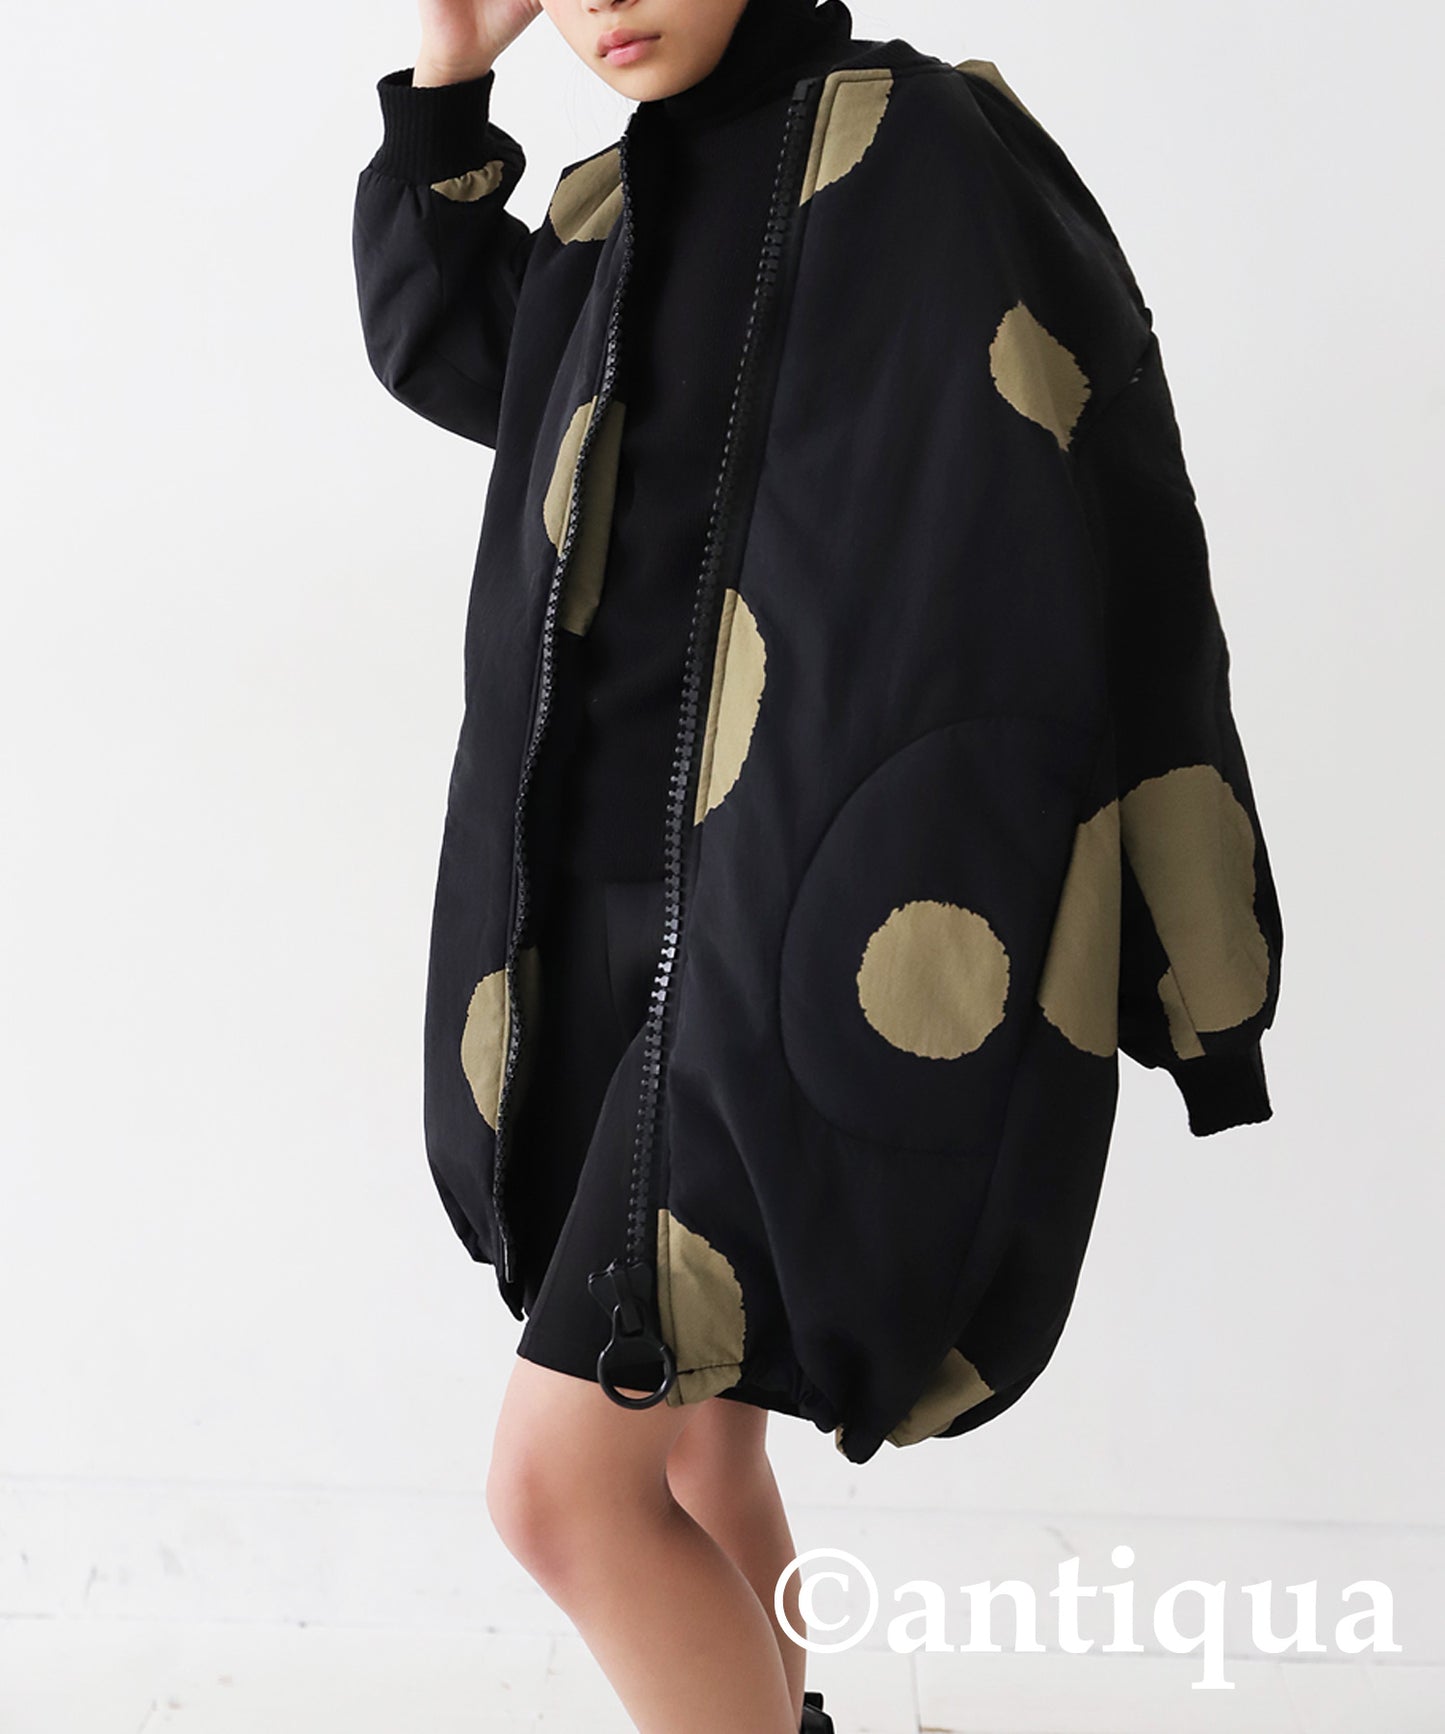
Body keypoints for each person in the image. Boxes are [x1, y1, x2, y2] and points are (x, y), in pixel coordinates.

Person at [351, 2, 1284, 1730]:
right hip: (593, 918)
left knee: (556, 1489)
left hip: (797, 919)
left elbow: (1123, 512)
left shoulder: (927, 151)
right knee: (692, 1441)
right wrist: (450, 80)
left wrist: (1197, 959)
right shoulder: (611, 207)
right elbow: (456, 351)